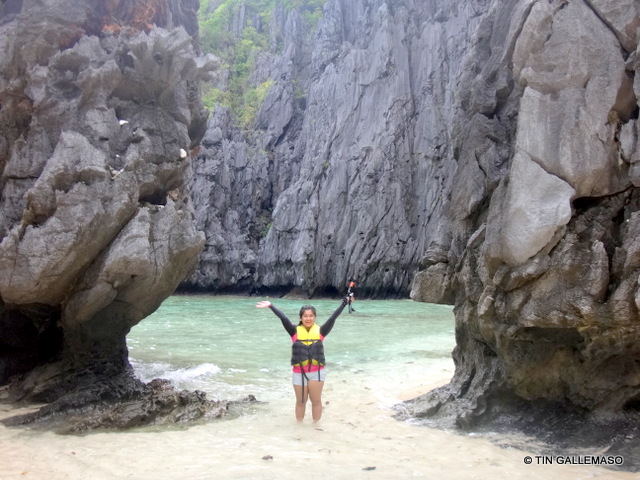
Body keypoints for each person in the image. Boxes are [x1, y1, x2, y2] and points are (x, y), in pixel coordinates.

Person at [256, 296, 349, 422]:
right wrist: (271, 306)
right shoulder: (294, 332)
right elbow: (283, 318)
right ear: (301, 318)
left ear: (315, 317)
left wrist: (344, 304)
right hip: (299, 373)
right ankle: (299, 427)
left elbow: (333, 318)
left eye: (311, 316)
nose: (308, 318)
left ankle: (316, 426)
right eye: (305, 316)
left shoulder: (321, 331)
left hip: (317, 373)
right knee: (300, 402)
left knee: (316, 401)